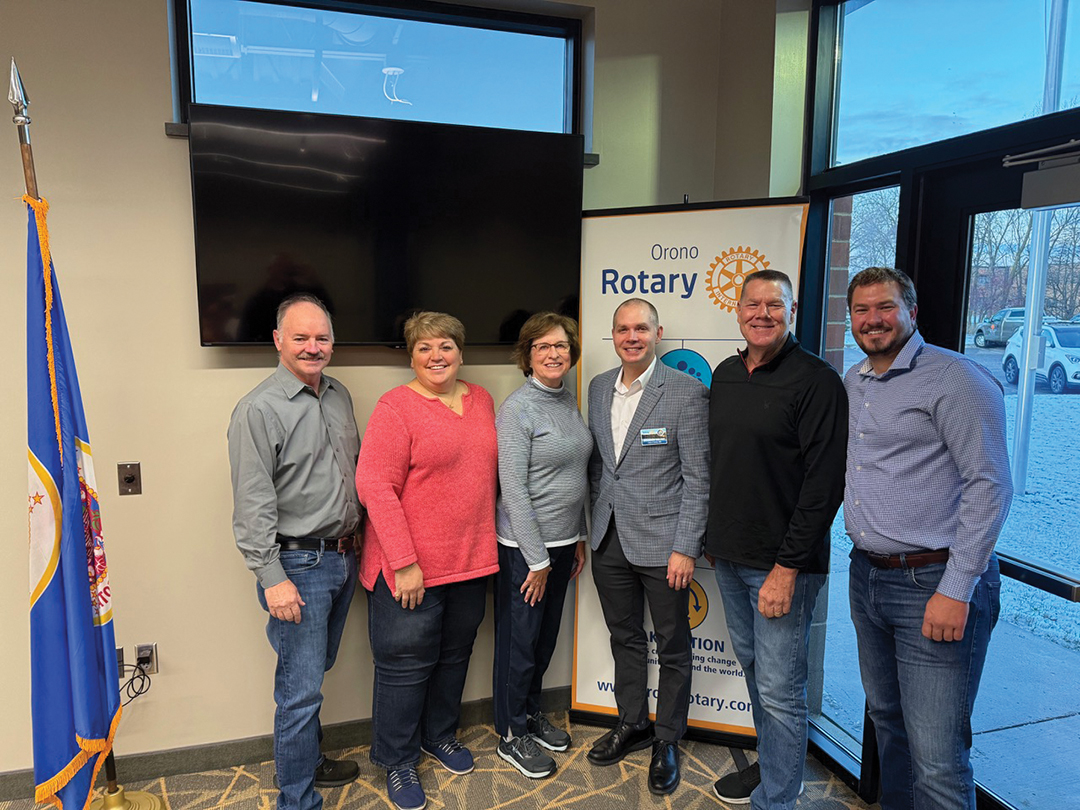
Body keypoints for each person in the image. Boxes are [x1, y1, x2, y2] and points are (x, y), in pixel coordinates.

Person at [844, 267, 1012, 810]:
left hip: (934, 582)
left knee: (938, 756)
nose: (873, 320)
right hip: (868, 575)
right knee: (888, 724)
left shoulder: (956, 378)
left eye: (885, 307)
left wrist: (957, 588)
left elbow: (991, 487)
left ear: (911, 312)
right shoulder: (856, 380)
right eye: (862, 310)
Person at [706, 271, 847, 808]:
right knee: (754, 672)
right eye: (752, 304)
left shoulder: (816, 380)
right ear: (737, 310)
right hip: (729, 557)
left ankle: (778, 799)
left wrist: (786, 569)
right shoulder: (724, 374)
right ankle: (774, 773)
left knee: (781, 692)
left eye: (774, 305)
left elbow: (824, 483)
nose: (761, 314)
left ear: (791, 310)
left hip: (782, 566)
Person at [355, 311, 499, 810]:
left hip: (470, 561)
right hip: (408, 568)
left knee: (455, 655)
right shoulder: (395, 407)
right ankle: (396, 760)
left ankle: (438, 735)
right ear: (411, 355)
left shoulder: (481, 399)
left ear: (461, 352)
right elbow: (374, 485)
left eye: (446, 347)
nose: (436, 357)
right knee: (404, 668)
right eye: (424, 348)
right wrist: (404, 562)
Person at [227, 294, 361, 810]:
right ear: (278, 340)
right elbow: (252, 504)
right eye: (301, 337)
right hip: (298, 566)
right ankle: (297, 800)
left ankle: (308, 760)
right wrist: (271, 576)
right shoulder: (258, 409)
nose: (313, 347)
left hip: (344, 556)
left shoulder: (339, 395)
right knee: (300, 688)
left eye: (322, 337)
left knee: (314, 671)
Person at [585, 298, 710, 796]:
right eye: (622, 329)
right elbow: (600, 468)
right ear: (612, 336)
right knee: (625, 637)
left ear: (659, 332)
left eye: (641, 328)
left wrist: (686, 546)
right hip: (607, 538)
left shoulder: (685, 393)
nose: (631, 337)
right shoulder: (596, 389)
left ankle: (666, 739)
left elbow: (699, 479)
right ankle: (632, 721)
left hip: (665, 546)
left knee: (674, 644)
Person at [492, 312, 592, 779]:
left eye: (561, 346)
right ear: (527, 355)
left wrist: (578, 538)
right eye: (542, 346)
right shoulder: (518, 408)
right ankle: (510, 735)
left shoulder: (567, 402)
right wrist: (535, 559)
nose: (554, 354)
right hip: (524, 550)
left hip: (562, 544)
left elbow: (577, 476)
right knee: (520, 642)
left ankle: (530, 715)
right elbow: (512, 487)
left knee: (544, 638)